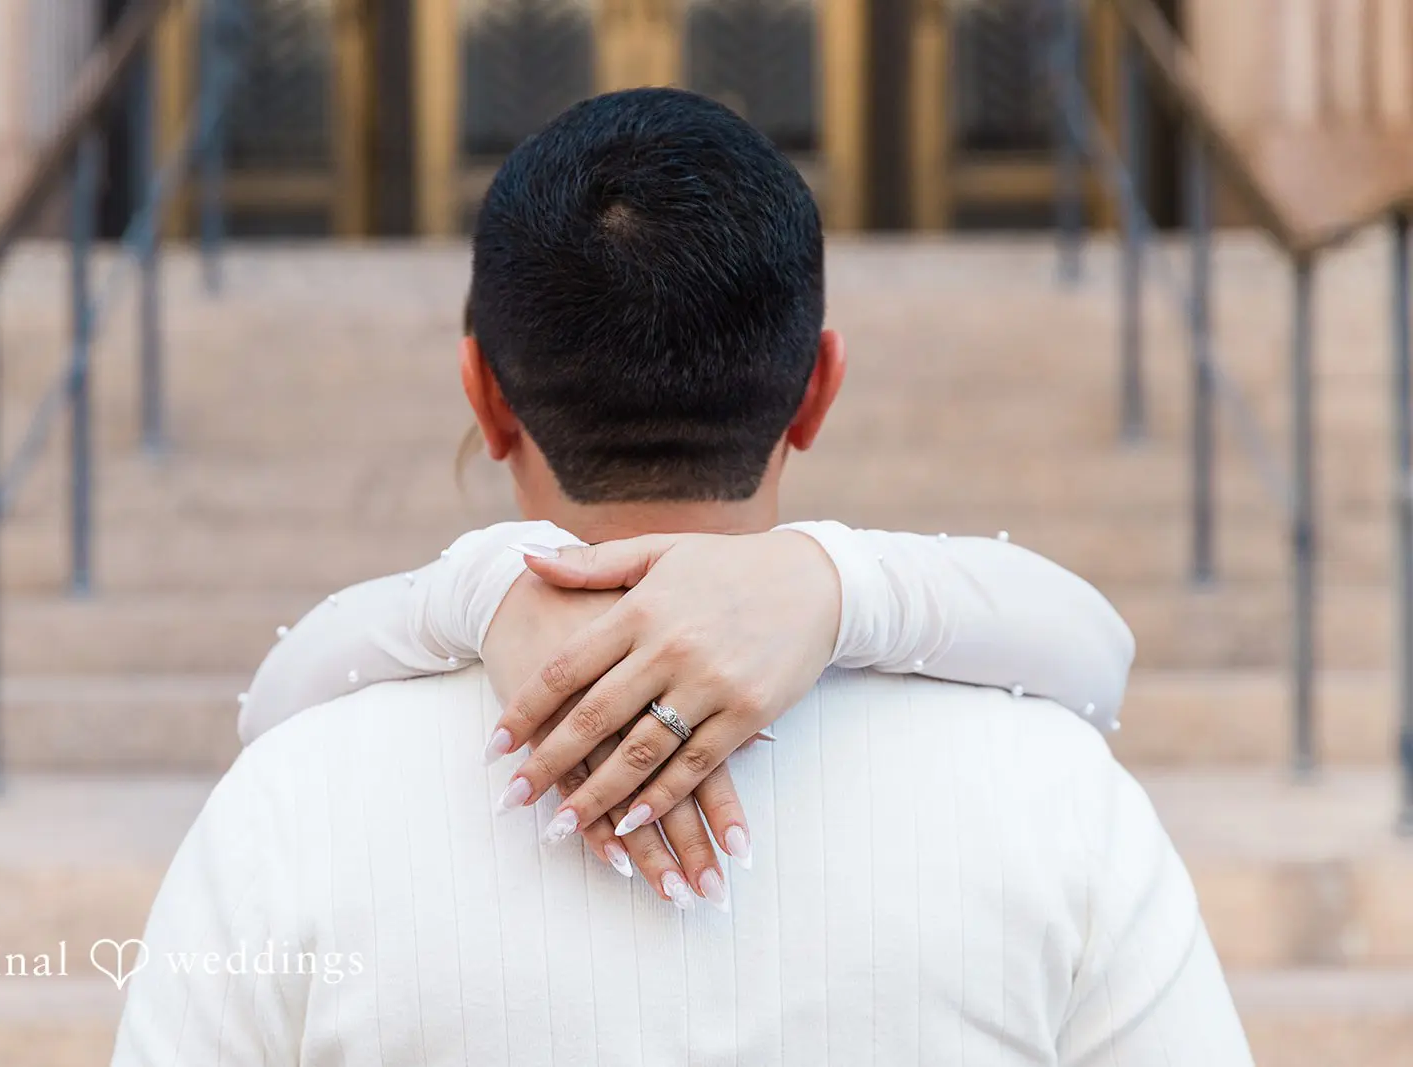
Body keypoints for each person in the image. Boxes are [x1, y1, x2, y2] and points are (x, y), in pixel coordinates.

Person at [112, 88, 1251, 1065]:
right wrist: (838, 579)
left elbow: (274, 708)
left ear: (483, 393)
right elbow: (1094, 657)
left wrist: (481, 586)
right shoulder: (1049, 791)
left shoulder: (294, 802)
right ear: (818, 386)